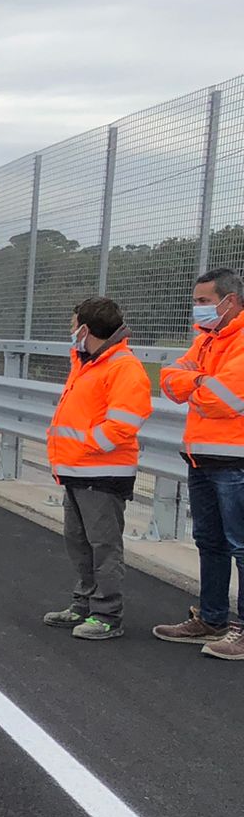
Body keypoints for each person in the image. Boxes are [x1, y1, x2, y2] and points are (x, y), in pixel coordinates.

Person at [42, 295, 150, 642]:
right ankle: (84, 603)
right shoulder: (88, 362)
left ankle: (107, 614)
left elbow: (123, 425)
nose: (71, 331)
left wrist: (80, 447)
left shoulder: (123, 367)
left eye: (74, 325)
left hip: (102, 474)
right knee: (79, 542)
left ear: (85, 328)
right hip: (78, 470)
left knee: (103, 546)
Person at [154, 267, 244, 661]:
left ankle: (240, 630)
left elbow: (225, 400)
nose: (198, 308)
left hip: (236, 462)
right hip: (201, 457)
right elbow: (168, 380)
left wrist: (196, 381)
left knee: (242, 546)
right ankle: (212, 618)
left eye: (204, 301)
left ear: (230, 301)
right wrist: (200, 381)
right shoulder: (208, 340)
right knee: (210, 541)